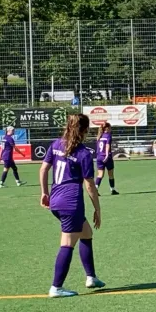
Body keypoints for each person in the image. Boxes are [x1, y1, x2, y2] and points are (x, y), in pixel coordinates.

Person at [39, 114, 105, 298]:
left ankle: (91, 277)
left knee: (86, 233)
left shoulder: (56, 144)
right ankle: (56, 287)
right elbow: (90, 185)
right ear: (84, 130)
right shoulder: (83, 153)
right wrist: (97, 209)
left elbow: (43, 169)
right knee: (67, 243)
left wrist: (44, 192)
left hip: (56, 200)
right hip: (71, 203)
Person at [95, 122, 119, 196]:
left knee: (100, 174)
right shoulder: (108, 135)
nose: (110, 129)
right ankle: (112, 189)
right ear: (107, 128)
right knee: (110, 174)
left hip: (99, 157)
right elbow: (107, 145)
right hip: (106, 157)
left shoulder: (99, 136)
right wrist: (106, 155)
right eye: (110, 128)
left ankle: (95, 189)